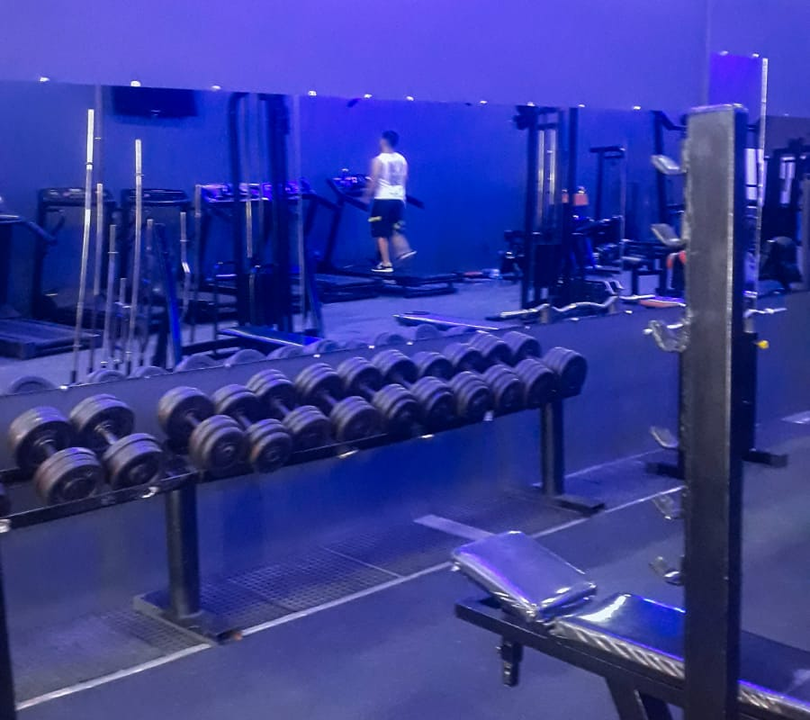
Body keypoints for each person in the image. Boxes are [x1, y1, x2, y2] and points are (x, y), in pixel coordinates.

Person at [363, 130, 416, 273]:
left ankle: (386, 263)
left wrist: (365, 198)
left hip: (383, 199)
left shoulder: (378, 160)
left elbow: (373, 181)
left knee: (380, 232)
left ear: (383, 141)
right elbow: (405, 178)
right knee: (394, 228)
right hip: (398, 199)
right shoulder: (402, 159)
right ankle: (404, 250)